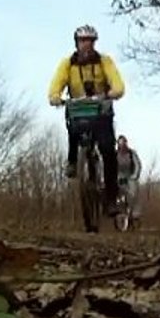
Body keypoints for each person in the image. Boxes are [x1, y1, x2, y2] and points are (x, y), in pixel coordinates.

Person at [47, 24, 125, 213]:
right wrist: (55, 97)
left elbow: (117, 82)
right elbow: (55, 85)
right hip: (79, 110)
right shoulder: (67, 64)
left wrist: (114, 92)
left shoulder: (104, 61)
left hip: (101, 111)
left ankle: (111, 198)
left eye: (90, 41)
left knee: (108, 150)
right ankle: (73, 161)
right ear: (77, 43)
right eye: (83, 41)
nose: (86, 45)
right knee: (73, 129)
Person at [116, 135, 143, 223]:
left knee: (132, 193)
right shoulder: (115, 155)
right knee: (116, 193)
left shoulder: (131, 153)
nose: (121, 144)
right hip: (119, 177)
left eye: (122, 142)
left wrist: (134, 176)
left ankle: (135, 214)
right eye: (119, 143)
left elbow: (137, 165)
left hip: (130, 176)